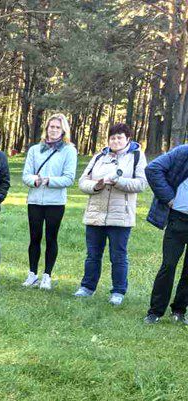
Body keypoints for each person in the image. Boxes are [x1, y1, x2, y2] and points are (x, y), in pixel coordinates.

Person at [74, 123, 147, 306]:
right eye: (112, 137)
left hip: (121, 216)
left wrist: (118, 182)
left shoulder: (136, 156)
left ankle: (118, 291)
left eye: (120, 137)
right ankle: (87, 287)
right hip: (95, 214)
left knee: (118, 256)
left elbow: (141, 184)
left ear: (128, 139)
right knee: (92, 255)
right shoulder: (99, 156)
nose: (116, 141)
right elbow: (82, 182)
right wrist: (96, 186)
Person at [21, 113, 78, 290]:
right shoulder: (34, 150)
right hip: (35, 200)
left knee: (51, 238)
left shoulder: (69, 150)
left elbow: (69, 178)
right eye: (51, 126)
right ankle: (32, 274)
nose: (54, 130)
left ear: (63, 130)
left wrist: (49, 180)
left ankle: (47, 275)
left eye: (57, 127)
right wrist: (35, 181)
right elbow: (26, 175)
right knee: (34, 237)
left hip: (55, 202)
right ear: (46, 128)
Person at [143, 143, 188, 325]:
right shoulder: (183, 152)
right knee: (168, 265)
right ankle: (155, 312)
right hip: (178, 220)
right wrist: (169, 197)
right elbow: (152, 169)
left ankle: (179, 310)